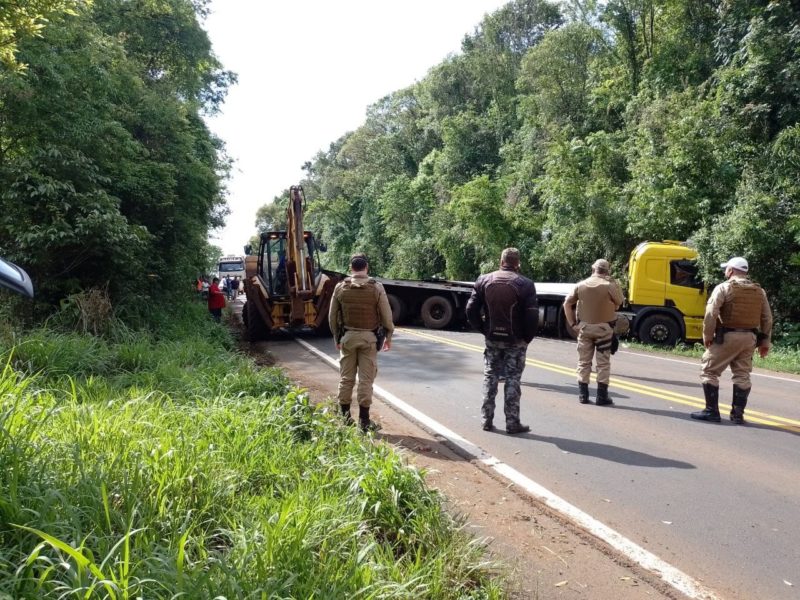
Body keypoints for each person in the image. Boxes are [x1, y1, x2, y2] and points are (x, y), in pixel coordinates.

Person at [691, 256, 772, 424]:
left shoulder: (723, 287)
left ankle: (711, 411)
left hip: (727, 336)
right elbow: (767, 319)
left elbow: (711, 313)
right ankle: (738, 414)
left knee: (709, 371)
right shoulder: (759, 291)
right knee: (742, 374)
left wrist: (707, 336)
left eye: (726, 269)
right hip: (749, 338)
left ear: (731, 270)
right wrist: (765, 342)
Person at [466, 247, 538, 434]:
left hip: (492, 338)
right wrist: (526, 338)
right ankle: (512, 423)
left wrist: (484, 330)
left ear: (501, 261)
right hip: (516, 340)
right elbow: (532, 316)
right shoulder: (525, 284)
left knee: (490, 376)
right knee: (513, 379)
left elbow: (470, 310)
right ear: (518, 264)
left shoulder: (484, 280)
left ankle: (486, 420)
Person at [328, 253, 394, 432]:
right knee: (366, 379)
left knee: (346, 378)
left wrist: (337, 338)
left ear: (351, 268)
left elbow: (332, 317)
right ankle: (364, 422)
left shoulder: (341, 287)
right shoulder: (376, 287)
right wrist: (388, 336)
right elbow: (387, 316)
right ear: (366, 268)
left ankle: (344, 417)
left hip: (348, 338)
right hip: (369, 339)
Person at [562, 258, 624, 406]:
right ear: (607, 271)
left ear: (593, 269)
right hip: (604, 329)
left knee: (584, 362)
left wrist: (572, 324)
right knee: (603, 363)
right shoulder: (609, 285)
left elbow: (567, 303)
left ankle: (583, 395)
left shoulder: (580, 285)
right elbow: (619, 302)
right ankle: (602, 397)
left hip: (585, 329)